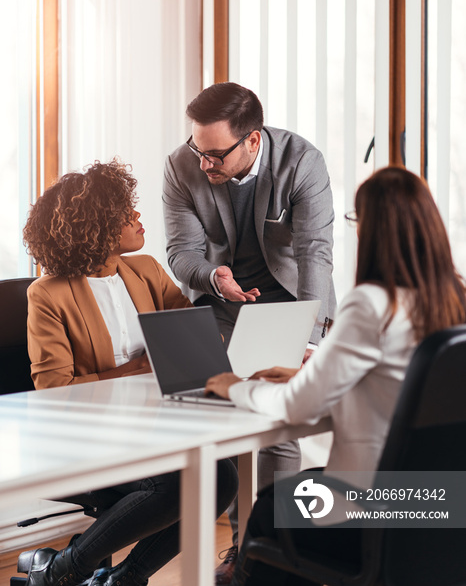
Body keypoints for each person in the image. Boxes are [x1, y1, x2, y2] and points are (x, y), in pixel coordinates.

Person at [205, 166, 466, 586]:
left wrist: (238, 387)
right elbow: (397, 388)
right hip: (441, 505)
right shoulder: (454, 299)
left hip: (375, 510)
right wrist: (306, 376)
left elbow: (296, 407)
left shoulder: (372, 303)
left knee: (272, 508)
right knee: (301, 489)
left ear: (373, 229)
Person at [19, 160, 238, 586]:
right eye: (126, 214)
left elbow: (192, 342)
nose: (139, 219)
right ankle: (65, 570)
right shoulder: (47, 294)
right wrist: (141, 368)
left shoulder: (147, 270)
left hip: (152, 425)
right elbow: (53, 388)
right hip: (88, 434)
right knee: (174, 484)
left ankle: (122, 579)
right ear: (97, 227)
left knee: (222, 474)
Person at [163, 82, 336, 582]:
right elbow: (181, 252)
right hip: (222, 302)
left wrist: (309, 341)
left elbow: (314, 255)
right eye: (198, 149)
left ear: (253, 141)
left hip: (290, 303)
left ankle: (281, 549)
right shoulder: (182, 164)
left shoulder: (301, 162)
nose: (203, 164)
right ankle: (242, 551)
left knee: (279, 429)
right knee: (229, 422)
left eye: (215, 155)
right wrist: (212, 276)